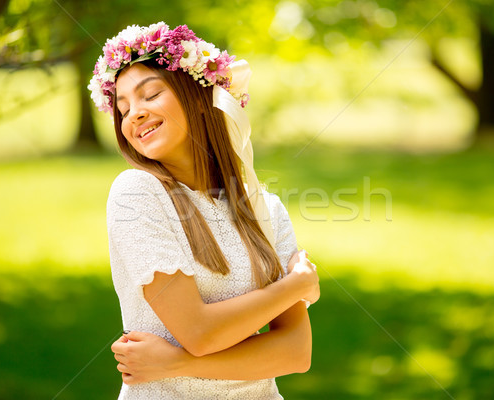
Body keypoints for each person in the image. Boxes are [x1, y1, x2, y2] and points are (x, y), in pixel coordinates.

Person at [89, 22, 320, 399]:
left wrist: (178, 364)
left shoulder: (264, 208)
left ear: (197, 96)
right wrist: (295, 285)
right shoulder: (137, 194)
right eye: (123, 107)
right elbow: (198, 332)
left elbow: (295, 352)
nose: (134, 114)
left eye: (150, 95)